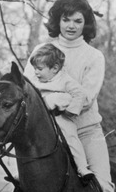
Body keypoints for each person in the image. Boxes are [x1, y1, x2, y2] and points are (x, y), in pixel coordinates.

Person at [0, 0, 116, 192]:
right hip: (49, 133)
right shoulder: (42, 49)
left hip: (86, 131)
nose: (71, 25)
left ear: (86, 23)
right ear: (57, 20)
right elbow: (27, 91)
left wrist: (52, 101)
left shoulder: (94, 56)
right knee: (21, 182)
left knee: (102, 181)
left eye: (78, 20)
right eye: (66, 19)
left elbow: (87, 97)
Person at [28, 43, 92, 180]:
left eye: (39, 69)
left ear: (55, 68)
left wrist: (71, 111)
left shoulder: (65, 80)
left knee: (70, 138)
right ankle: (24, 172)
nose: (36, 72)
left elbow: (79, 94)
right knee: (30, 141)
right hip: (41, 119)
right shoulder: (34, 81)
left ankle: (82, 167)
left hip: (60, 116)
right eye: (34, 69)